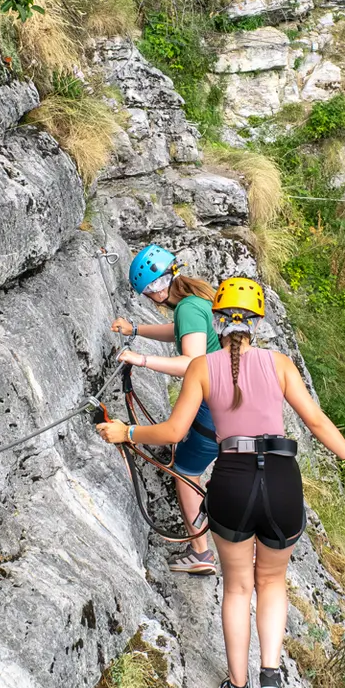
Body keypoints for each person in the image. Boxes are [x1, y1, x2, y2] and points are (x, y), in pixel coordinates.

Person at [97, 276, 345, 688]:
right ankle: (271, 675)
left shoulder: (202, 368)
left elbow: (174, 432)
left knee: (238, 587)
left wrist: (125, 432)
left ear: (217, 320)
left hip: (233, 481)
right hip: (282, 481)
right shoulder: (279, 364)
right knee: (272, 581)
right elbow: (317, 421)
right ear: (257, 324)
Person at [112, 244, 222, 574]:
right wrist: (135, 330)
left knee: (186, 472)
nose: (150, 300)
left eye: (147, 295)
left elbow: (191, 362)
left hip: (212, 409)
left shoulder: (187, 308)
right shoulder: (197, 300)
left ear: (155, 291)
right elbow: (179, 333)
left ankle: (200, 552)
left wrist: (141, 359)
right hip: (228, 404)